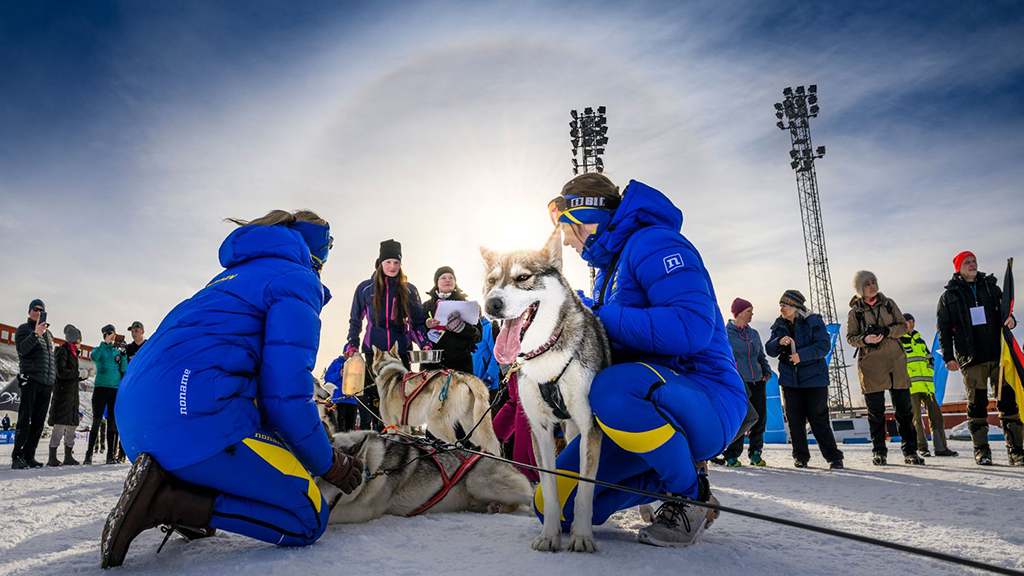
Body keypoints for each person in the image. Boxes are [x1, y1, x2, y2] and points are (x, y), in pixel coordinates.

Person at [102, 210, 363, 569]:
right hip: (191, 419)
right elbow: (284, 396)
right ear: (319, 252)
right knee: (308, 516)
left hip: (136, 425)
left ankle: (181, 489)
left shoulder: (226, 279)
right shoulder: (297, 280)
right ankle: (169, 500)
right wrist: (328, 463)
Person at [545, 174, 747, 548]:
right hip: (643, 402)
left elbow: (692, 326)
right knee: (552, 505)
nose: (568, 242)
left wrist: (595, 315)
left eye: (567, 231)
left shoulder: (655, 242)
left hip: (706, 395)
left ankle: (689, 496)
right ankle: (669, 480)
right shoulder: (610, 270)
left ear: (588, 220)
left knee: (614, 389)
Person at [937, 251, 1022, 466]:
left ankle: (1016, 451)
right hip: (971, 358)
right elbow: (944, 330)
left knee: (1008, 403)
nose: (972, 265)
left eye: (974, 261)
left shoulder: (990, 287)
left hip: (999, 355)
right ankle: (982, 451)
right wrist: (949, 357)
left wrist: (1012, 320)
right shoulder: (950, 296)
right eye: (967, 262)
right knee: (977, 405)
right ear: (958, 267)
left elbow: (1005, 312)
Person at [344, 239, 428, 430]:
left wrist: (424, 343)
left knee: (400, 398)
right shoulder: (366, 288)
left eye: (396, 263)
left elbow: (417, 322)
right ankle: (376, 437)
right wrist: (352, 344)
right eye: (388, 262)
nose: (392, 266)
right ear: (381, 262)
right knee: (375, 397)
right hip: (375, 353)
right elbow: (355, 320)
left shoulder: (409, 290)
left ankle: (401, 438)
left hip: (401, 353)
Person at [847, 271, 923, 466]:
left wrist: (887, 331)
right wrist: (865, 339)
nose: (872, 286)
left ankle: (910, 451)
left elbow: (903, 327)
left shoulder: (889, 304)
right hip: (871, 366)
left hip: (896, 363)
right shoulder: (855, 312)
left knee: (904, 411)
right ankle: (879, 451)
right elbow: (851, 338)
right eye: (867, 284)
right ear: (860, 289)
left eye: (874, 282)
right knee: (876, 413)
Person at [765, 290, 844, 469]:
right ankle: (800, 457)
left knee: (819, 419)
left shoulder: (813, 321)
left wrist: (802, 355)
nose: (781, 309)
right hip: (790, 381)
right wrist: (778, 341)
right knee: (794, 420)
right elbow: (769, 349)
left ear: (794, 306)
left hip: (815, 379)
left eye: (784, 305)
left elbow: (824, 346)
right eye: (781, 306)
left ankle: (833, 457)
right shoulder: (778, 325)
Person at [721, 298, 772, 467]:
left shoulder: (754, 333)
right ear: (739, 313)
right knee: (740, 419)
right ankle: (732, 455)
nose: (752, 314)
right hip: (738, 383)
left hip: (757, 380)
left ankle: (756, 453)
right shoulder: (725, 333)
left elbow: (760, 356)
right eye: (749, 310)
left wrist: (766, 371)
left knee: (759, 417)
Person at [900, 313, 957, 458]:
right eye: (908, 321)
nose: (911, 324)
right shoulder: (899, 341)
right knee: (916, 418)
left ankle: (940, 447)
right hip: (910, 386)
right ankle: (921, 448)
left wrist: (930, 372)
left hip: (927, 386)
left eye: (912, 321)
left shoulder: (920, 341)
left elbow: (930, 359)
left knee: (936, 416)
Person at [12, 299, 56, 469]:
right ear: (29, 312)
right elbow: (22, 350)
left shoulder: (49, 334)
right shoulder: (24, 329)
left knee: (38, 421)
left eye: (41, 310)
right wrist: (35, 333)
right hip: (31, 379)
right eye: (35, 310)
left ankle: (30, 455)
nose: (37, 312)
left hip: (46, 382)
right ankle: (18, 455)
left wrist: (53, 378)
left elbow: (50, 358)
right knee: (26, 418)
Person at [422, 266, 482, 373]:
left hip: (460, 365)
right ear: (437, 282)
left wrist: (462, 328)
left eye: (451, 277)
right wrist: (426, 325)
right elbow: (414, 331)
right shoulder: (426, 306)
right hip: (431, 365)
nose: (448, 280)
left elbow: (478, 335)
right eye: (443, 278)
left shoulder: (467, 305)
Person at [86, 325, 127, 465]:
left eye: (114, 333)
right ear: (105, 335)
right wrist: (105, 343)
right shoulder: (99, 349)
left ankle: (110, 455)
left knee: (112, 423)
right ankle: (89, 454)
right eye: (110, 333)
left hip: (114, 389)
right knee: (96, 421)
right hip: (101, 388)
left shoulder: (117, 352)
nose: (113, 336)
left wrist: (124, 354)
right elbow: (94, 357)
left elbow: (123, 368)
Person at [48, 324, 84, 466]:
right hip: (63, 395)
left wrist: (80, 377)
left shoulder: (74, 353)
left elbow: (70, 374)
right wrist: (77, 373)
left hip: (72, 395)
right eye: (80, 339)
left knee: (71, 425)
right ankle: (52, 456)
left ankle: (68, 455)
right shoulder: (63, 351)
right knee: (60, 425)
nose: (80, 342)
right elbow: (61, 372)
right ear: (75, 339)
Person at [323, 355, 358, 432]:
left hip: (352, 400)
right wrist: (339, 374)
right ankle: (339, 442)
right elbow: (327, 378)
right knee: (339, 426)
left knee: (351, 427)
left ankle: (351, 443)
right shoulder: (336, 363)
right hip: (339, 400)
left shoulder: (357, 365)